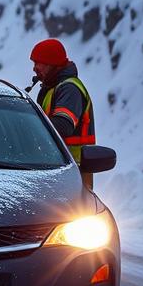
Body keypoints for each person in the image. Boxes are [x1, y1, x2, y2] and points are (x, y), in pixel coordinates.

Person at [29, 38, 97, 189]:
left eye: (38, 63)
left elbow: (63, 126)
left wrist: (29, 126)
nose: (34, 68)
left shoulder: (70, 89)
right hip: (56, 170)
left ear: (51, 63)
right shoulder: (51, 88)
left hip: (74, 172)